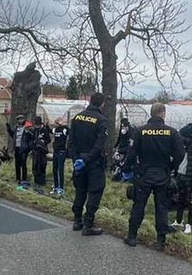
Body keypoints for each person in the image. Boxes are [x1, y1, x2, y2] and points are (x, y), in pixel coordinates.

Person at [123, 102, 185, 250]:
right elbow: (180, 154)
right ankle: (160, 241)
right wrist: (171, 167)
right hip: (162, 174)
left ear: (151, 114)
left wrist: (127, 168)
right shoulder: (172, 132)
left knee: (139, 205)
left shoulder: (141, 131)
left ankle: (132, 236)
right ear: (162, 114)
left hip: (144, 174)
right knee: (161, 207)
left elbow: (132, 153)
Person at [66, 92, 110, 236]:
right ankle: (88, 224)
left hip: (79, 162)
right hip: (93, 163)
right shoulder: (101, 120)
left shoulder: (77, 117)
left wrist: (76, 159)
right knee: (95, 191)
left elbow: (70, 142)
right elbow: (99, 145)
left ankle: (77, 220)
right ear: (102, 104)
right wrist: (87, 159)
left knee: (80, 191)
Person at [6, 114, 34, 188]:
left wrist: (29, 147)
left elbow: (32, 137)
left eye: (21, 119)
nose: (20, 120)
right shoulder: (17, 127)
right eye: (18, 119)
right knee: (17, 164)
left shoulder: (28, 127)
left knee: (23, 164)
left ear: (24, 119)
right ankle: (18, 179)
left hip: (24, 148)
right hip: (17, 147)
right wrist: (9, 129)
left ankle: (24, 179)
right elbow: (13, 136)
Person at [30, 116, 51, 193]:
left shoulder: (44, 130)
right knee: (35, 166)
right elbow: (32, 139)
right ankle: (36, 182)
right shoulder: (34, 130)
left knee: (42, 166)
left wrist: (43, 141)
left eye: (38, 124)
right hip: (35, 151)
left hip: (42, 151)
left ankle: (42, 182)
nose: (37, 126)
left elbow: (48, 140)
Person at [50, 118, 69, 196]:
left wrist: (65, 125)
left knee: (60, 170)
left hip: (62, 151)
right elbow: (49, 130)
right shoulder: (55, 130)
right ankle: (56, 186)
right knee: (54, 169)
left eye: (56, 123)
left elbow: (69, 131)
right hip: (56, 151)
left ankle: (61, 188)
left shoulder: (64, 130)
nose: (55, 124)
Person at [112, 117, 133, 181]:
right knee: (117, 161)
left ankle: (123, 175)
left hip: (127, 149)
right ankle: (117, 173)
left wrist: (129, 148)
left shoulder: (131, 130)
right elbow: (119, 138)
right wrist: (115, 146)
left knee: (124, 161)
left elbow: (131, 141)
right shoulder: (122, 130)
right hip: (121, 148)